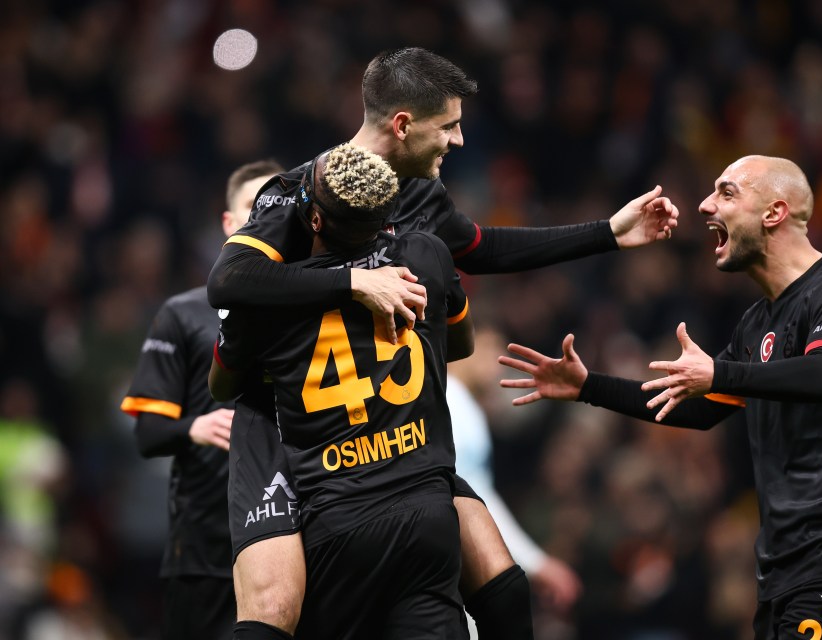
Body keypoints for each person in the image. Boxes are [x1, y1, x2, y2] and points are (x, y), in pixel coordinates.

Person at [206, 47, 678, 640]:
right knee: (277, 611)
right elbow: (227, 280)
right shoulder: (300, 193)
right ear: (402, 124)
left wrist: (607, 233)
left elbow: (481, 247)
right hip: (283, 429)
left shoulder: (419, 196)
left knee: (498, 584)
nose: (458, 140)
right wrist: (354, 281)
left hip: (385, 434)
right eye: (449, 125)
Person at [498, 155, 822, 640]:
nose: (703, 205)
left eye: (726, 192)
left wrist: (719, 372)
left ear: (773, 212)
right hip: (792, 566)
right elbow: (699, 407)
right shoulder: (758, 323)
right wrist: (588, 387)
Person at [209, 143, 474, 639]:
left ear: (311, 219)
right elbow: (457, 344)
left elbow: (222, 384)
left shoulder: (265, 297)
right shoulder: (427, 254)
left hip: (336, 519)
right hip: (426, 511)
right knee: (502, 586)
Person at [120, 160, 284, 640]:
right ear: (229, 224)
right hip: (205, 552)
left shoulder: (312, 310)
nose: (265, 220)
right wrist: (193, 426)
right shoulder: (184, 314)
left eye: (275, 210)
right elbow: (147, 435)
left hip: (292, 542)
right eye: (252, 209)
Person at [447, 327, 582, 634]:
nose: (495, 361)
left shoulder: (453, 400)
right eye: (487, 346)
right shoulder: (453, 401)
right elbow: (474, 500)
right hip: (452, 564)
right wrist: (536, 563)